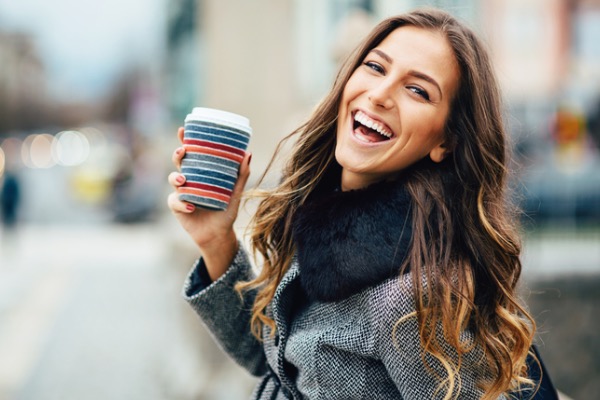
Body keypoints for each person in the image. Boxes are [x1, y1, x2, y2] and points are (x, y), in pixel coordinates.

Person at [167, 8, 552, 399]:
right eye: (375, 67)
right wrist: (217, 241)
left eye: (417, 90)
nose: (380, 94)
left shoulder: (409, 299)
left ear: (445, 142)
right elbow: (274, 360)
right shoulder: (322, 216)